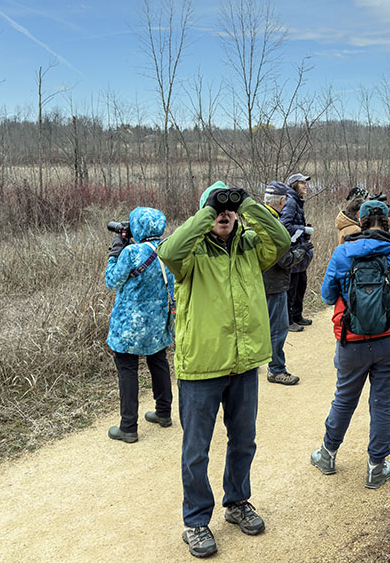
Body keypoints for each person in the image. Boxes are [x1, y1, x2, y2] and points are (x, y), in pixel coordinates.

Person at [158, 181, 291, 559]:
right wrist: (209, 209)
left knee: (244, 440)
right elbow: (168, 251)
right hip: (200, 367)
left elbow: (280, 241)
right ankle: (196, 522)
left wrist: (246, 204)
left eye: (229, 211)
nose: (224, 215)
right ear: (203, 215)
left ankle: (237, 503)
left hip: (243, 363)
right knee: (196, 450)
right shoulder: (190, 254)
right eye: (217, 211)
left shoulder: (251, 247)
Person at [311, 199, 390, 489]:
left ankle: (328, 454)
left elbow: (326, 296)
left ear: (360, 221)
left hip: (352, 342)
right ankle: (376, 466)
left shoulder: (343, 253)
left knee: (344, 399)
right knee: (383, 404)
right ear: (388, 221)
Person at [104, 206, 175, 443]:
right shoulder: (169, 249)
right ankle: (164, 413)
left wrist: (115, 252)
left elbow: (112, 281)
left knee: (127, 370)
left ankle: (128, 427)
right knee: (159, 362)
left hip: (129, 325)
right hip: (157, 321)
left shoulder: (131, 253)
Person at [263, 181, 313, 385]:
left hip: (261, 281)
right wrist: (300, 252)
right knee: (278, 327)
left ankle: (260, 362)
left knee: (263, 325)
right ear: (282, 201)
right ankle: (276, 369)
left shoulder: (260, 219)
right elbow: (283, 260)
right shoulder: (273, 224)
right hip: (274, 282)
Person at [281, 172, 314, 330]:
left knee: (301, 283)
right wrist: (304, 229)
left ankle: (297, 316)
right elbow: (285, 226)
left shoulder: (297, 201)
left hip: (300, 250)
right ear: (294, 185)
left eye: (306, 183)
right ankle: (288, 321)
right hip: (293, 251)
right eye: (302, 183)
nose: (306, 186)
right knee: (292, 287)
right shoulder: (291, 201)